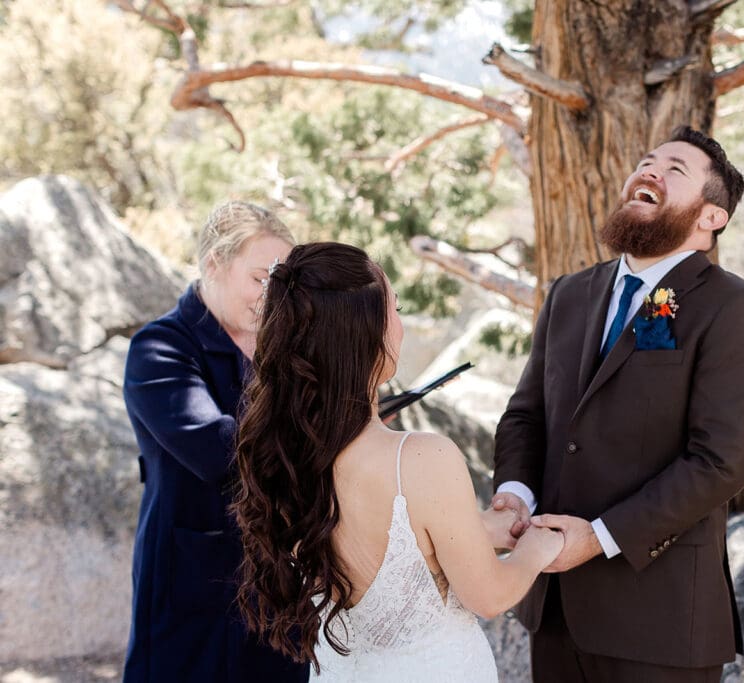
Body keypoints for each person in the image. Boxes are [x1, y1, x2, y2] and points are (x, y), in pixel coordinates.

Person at [490, 126, 744, 682]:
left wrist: (598, 538)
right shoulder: (569, 294)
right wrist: (515, 493)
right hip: (552, 611)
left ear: (710, 217)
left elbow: (718, 464)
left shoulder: (738, 310)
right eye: (647, 162)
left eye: (675, 170)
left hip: (660, 624)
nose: (650, 171)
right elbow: (528, 415)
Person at [231, 242, 565, 682]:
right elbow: (490, 595)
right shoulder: (422, 458)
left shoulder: (286, 456)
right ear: (366, 331)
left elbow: (371, 549)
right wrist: (540, 549)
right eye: (396, 308)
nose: (402, 327)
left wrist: (475, 528)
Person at [121, 201, 309, 683]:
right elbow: (219, 451)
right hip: (191, 585)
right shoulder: (159, 348)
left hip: (280, 586)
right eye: (260, 278)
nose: (273, 296)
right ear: (213, 266)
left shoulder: (287, 348)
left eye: (283, 281)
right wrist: (318, 436)